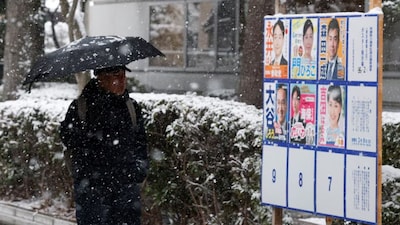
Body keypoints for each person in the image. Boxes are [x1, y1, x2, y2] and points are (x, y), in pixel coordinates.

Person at [60, 65, 149, 225]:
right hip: (93, 190)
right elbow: (69, 139)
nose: (122, 80)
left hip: (126, 188)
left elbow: (140, 143)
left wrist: (139, 171)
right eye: (116, 75)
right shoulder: (81, 107)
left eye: (123, 75)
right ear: (100, 78)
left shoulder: (131, 107)